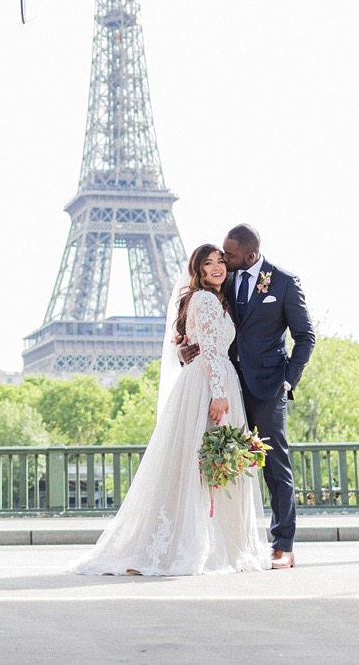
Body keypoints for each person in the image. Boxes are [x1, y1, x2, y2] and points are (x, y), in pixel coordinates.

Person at [70, 244, 270, 576]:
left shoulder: (213, 300)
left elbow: (191, 343)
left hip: (209, 379)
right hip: (210, 383)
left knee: (200, 464)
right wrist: (219, 394)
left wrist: (190, 356)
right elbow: (206, 349)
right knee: (207, 465)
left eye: (221, 261)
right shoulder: (205, 300)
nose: (217, 267)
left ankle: (190, 539)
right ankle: (201, 544)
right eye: (209, 263)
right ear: (199, 270)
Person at [181, 224, 315, 569]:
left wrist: (287, 381)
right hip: (223, 385)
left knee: (275, 465)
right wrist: (187, 348)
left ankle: (282, 544)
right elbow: (202, 319)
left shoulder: (283, 282)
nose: (222, 260)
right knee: (214, 464)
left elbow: (305, 336)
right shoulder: (221, 279)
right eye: (219, 255)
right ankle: (214, 542)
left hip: (268, 388)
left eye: (229, 254)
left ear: (251, 255)